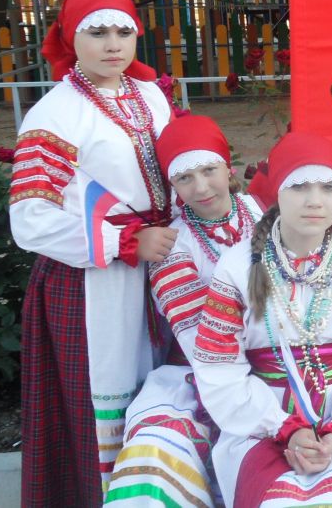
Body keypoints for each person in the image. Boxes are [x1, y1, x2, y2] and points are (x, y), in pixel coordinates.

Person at [9, 0, 173, 505]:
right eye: (97, 32)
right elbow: (31, 218)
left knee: (166, 395)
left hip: (163, 270)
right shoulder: (56, 113)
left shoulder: (150, 95)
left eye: (123, 32)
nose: (112, 45)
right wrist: (126, 242)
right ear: (69, 38)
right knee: (102, 404)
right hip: (91, 284)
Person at [193, 132, 332, 507]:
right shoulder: (236, 266)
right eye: (299, 187)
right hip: (259, 419)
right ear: (277, 191)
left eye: (328, 187)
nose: (315, 200)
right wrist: (282, 427)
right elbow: (219, 366)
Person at [105, 114, 261, 506]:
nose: (201, 187)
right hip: (200, 372)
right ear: (172, 185)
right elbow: (196, 334)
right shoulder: (173, 243)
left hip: (281, 361)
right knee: (159, 451)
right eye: (184, 178)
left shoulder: (263, 213)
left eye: (209, 170)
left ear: (227, 167)